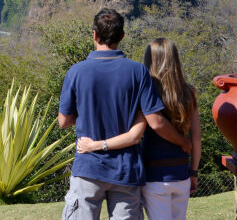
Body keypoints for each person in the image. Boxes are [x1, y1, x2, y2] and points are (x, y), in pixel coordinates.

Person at [58, 9, 191, 220]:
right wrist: (184, 143)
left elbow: (63, 121)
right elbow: (152, 121)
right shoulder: (138, 72)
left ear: (94, 35)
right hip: (126, 170)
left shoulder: (76, 71)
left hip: (88, 167)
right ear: (122, 36)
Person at [77, 38, 201, 220]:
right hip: (181, 174)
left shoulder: (146, 91)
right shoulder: (188, 93)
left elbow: (151, 125)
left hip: (155, 176)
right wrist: (193, 171)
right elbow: (196, 138)